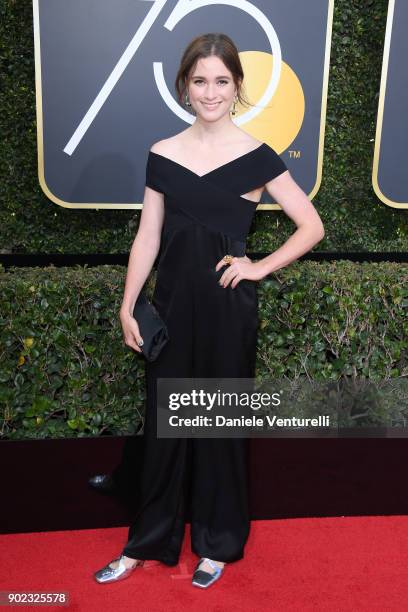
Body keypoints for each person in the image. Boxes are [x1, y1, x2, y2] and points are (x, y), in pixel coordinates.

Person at [94, 32, 325, 589]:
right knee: (165, 427)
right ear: (184, 85)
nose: (211, 91)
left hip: (227, 309)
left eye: (222, 81)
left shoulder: (257, 156)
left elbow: (312, 226)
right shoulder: (163, 153)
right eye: (200, 80)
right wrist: (129, 304)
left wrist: (257, 266)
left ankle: (218, 543)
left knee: (218, 424)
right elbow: (148, 236)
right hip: (170, 308)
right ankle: (148, 540)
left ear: (237, 86)